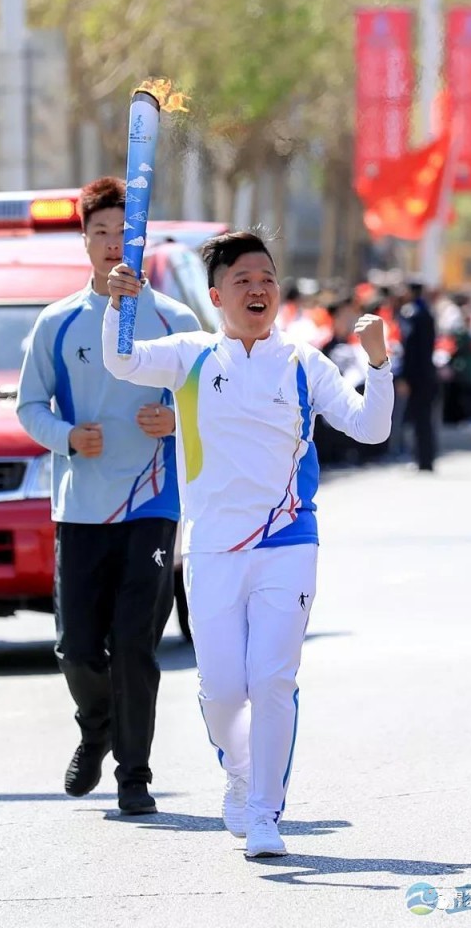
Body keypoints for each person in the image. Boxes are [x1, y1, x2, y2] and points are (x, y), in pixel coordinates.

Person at [101, 231, 393, 857]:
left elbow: (371, 427)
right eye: (243, 280)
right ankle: (237, 772)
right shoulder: (191, 357)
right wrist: (118, 304)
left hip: (289, 541)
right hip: (210, 549)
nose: (258, 288)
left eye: (267, 277)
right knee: (224, 689)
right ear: (216, 296)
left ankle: (265, 812)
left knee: (272, 679)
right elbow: (122, 361)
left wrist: (377, 363)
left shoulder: (303, 365)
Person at [16, 176, 200, 814]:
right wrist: (67, 437)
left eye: (122, 231)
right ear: (84, 241)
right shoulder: (58, 323)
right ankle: (95, 727)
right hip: (82, 505)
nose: (109, 242)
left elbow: (212, 402)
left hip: (151, 505)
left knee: (132, 642)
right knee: (76, 647)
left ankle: (134, 774)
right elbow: (29, 406)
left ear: (140, 238)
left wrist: (176, 420)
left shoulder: (175, 322)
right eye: (98, 232)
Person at [396, 280, 438, 472]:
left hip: (416, 375)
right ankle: (426, 458)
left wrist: (405, 377)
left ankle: (423, 459)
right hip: (427, 372)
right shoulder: (427, 312)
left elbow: (410, 350)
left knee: (420, 418)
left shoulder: (412, 313)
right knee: (425, 418)